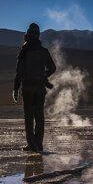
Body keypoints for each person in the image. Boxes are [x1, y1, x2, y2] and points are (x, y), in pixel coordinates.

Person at [13, 23, 56, 152]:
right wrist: (44, 74)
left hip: (28, 89)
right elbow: (53, 68)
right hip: (40, 88)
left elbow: (19, 71)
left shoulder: (25, 50)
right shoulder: (44, 51)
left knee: (29, 118)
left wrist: (15, 89)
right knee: (39, 117)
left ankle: (32, 145)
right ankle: (38, 144)